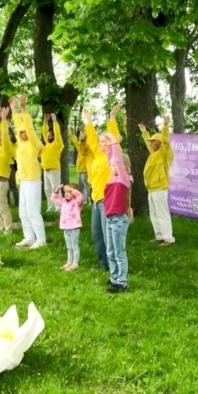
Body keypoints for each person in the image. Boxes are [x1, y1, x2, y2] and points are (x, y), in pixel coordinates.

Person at [83, 105, 123, 270]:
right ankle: (103, 264)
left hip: (107, 201)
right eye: (99, 141)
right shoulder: (98, 154)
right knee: (97, 236)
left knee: (109, 238)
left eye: (104, 141)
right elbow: (91, 138)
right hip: (96, 201)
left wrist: (112, 117)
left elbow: (115, 139)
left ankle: (115, 267)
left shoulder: (113, 155)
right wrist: (88, 121)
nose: (100, 144)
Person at [11, 96, 47, 249]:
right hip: (24, 181)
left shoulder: (34, 142)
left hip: (33, 180)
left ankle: (41, 240)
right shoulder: (21, 143)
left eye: (22, 132)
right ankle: (29, 237)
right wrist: (13, 109)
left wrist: (24, 109)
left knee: (33, 212)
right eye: (19, 132)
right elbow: (19, 124)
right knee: (23, 212)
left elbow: (29, 128)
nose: (20, 133)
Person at [139, 114, 176, 246]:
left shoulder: (164, 153)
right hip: (152, 189)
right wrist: (144, 132)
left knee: (162, 214)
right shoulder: (154, 153)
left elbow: (166, 140)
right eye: (150, 142)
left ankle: (168, 238)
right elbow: (148, 143)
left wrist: (165, 126)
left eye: (153, 141)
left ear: (159, 143)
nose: (151, 144)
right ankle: (159, 236)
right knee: (154, 214)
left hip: (160, 188)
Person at [103, 134, 132, 292]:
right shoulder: (113, 178)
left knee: (119, 252)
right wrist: (108, 146)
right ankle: (114, 279)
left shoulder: (124, 179)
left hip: (119, 220)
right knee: (110, 251)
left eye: (114, 165)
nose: (111, 167)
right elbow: (111, 159)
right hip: (110, 219)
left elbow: (117, 161)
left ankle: (122, 282)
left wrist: (114, 143)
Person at [52, 183, 84, 271]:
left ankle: (75, 263)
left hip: (74, 227)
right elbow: (54, 198)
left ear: (74, 193)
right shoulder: (63, 202)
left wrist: (72, 189)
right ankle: (69, 262)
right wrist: (56, 190)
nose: (66, 193)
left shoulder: (77, 202)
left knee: (74, 246)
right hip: (66, 228)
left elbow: (80, 196)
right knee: (69, 247)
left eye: (69, 192)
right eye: (65, 192)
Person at [41, 113, 64, 213]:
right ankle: (51, 207)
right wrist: (46, 121)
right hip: (46, 170)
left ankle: (58, 208)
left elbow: (58, 134)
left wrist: (54, 122)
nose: (49, 135)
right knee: (47, 189)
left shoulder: (57, 144)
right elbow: (44, 131)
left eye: (51, 134)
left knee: (56, 188)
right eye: (48, 134)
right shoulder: (46, 145)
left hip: (54, 170)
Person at [70, 127, 92, 202]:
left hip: (85, 169)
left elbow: (86, 138)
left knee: (86, 185)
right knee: (81, 186)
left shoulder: (87, 146)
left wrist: (84, 132)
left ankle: (91, 199)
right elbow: (77, 143)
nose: (82, 138)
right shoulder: (81, 146)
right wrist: (73, 134)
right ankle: (83, 199)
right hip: (79, 169)